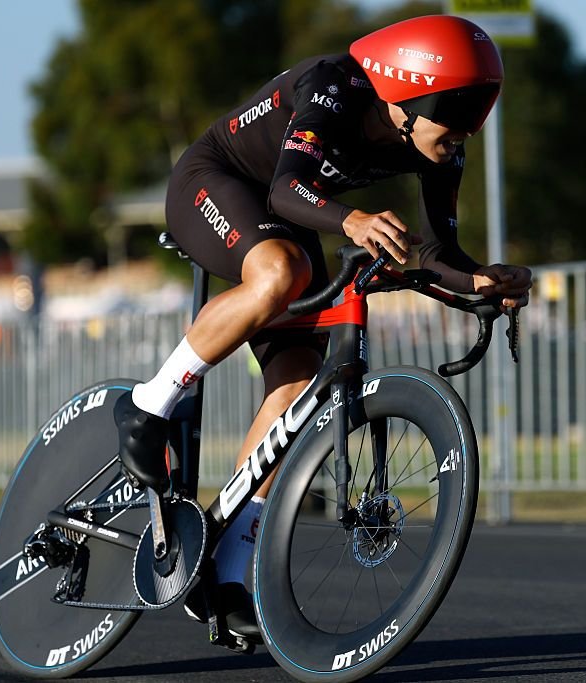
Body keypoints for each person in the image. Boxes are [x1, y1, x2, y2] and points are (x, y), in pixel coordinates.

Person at [113, 14, 533, 638]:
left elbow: (439, 251)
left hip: (289, 215)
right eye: (457, 113)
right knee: (281, 271)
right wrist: (354, 220)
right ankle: (150, 404)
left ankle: (227, 566)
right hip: (218, 181)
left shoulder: (440, 146)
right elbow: (287, 188)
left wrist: (480, 281)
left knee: (297, 386)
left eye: (476, 114)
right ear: (407, 98)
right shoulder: (334, 87)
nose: (466, 131)